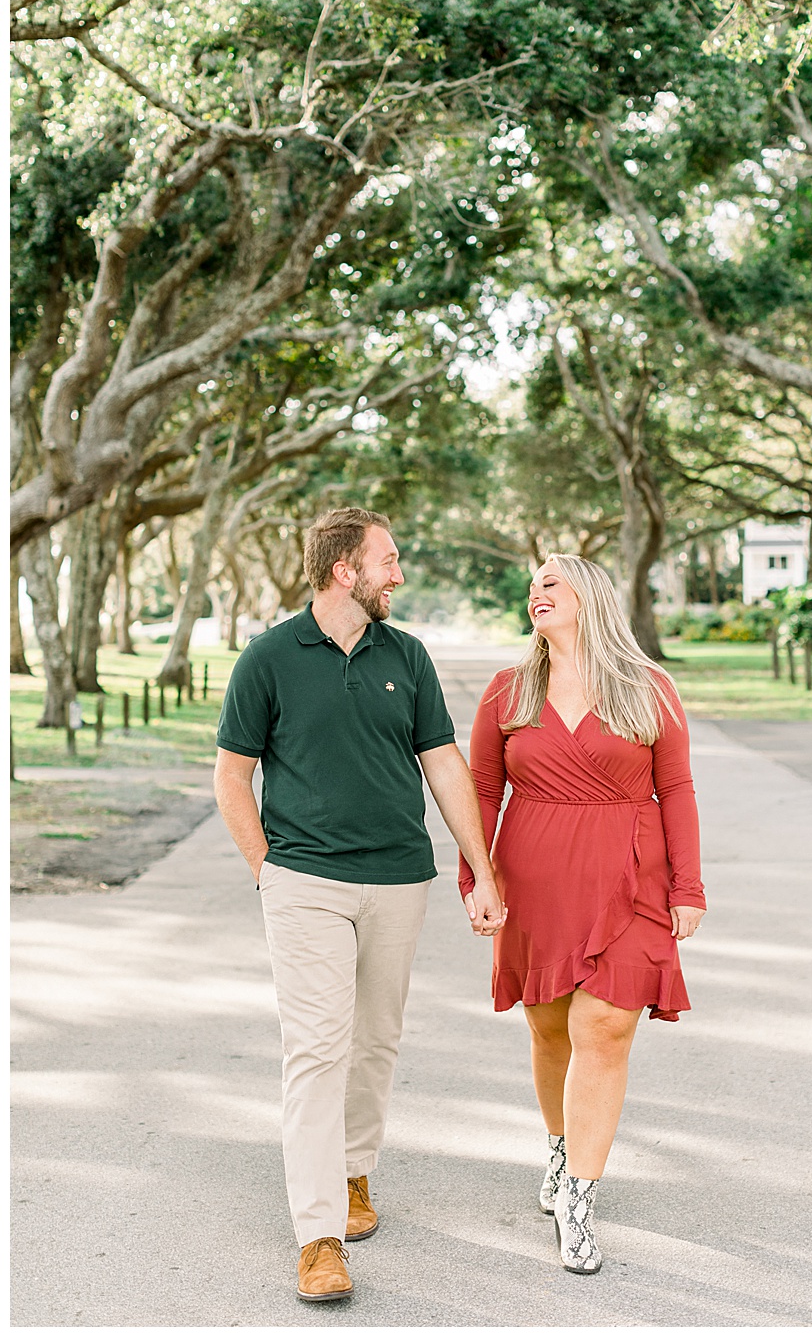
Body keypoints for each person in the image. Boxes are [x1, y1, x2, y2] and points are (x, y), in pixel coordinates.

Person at [215, 507, 507, 1304]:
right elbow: (231, 776)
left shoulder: (405, 655)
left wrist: (481, 867)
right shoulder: (270, 657)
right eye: (388, 559)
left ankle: (352, 1172)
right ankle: (318, 1236)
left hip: (398, 879)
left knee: (374, 1040)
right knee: (316, 1049)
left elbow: (443, 763)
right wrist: (266, 871)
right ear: (345, 569)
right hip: (304, 881)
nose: (398, 573)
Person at [458, 554, 705, 1275]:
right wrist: (477, 877)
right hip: (534, 878)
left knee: (605, 1025)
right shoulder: (508, 691)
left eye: (551, 583)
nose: (536, 593)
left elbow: (679, 790)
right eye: (531, 586)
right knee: (549, 1026)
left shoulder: (647, 688)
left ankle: (579, 1197)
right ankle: (561, 1146)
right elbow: (480, 790)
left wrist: (687, 887)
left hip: (630, 877)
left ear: (588, 597)